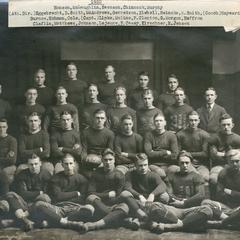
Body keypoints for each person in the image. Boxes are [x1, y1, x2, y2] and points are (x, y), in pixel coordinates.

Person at [32, 153, 94, 231]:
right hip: (58, 208)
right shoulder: (55, 178)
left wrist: (65, 197)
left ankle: (57, 221)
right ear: (62, 164)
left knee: (90, 208)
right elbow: (58, 197)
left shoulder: (82, 179)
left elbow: (81, 199)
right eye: (66, 164)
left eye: (71, 163)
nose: (68, 166)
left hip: (76, 208)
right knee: (39, 204)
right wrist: (76, 193)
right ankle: (66, 222)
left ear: (74, 164)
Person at [81, 148, 129, 232]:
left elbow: (118, 195)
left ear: (114, 160)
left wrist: (107, 198)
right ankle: (116, 219)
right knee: (90, 198)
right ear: (102, 160)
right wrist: (107, 195)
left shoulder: (119, 175)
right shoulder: (96, 173)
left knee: (125, 206)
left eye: (110, 160)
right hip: (98, 203)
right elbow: (90, 192)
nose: (108, 162)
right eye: (105, 160)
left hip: (113, 204)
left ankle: (96, 225)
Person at [120, 153, 169, 230]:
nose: (143, 168)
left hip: (150, 202)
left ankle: (137, 220)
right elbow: (127, 187)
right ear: (135, 165)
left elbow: (163, 185)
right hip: (137, 201)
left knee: (165, 196)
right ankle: (149, 221)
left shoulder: (153, 175)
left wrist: (152, 194)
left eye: (145, 165)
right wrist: (139, 195)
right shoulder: (130, 174)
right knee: (125, 194)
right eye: (140, 165)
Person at [6, 154, 52, 231]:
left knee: (44, 198)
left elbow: (48, 193)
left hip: (38, 204)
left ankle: (22, 220)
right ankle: (26, 220)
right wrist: (39, 192)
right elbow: (22, 193)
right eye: (31, 164)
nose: (33, 166)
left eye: (36, 164)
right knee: (10, 194)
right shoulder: (22, 174)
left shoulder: (46, 174)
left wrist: (39, 194)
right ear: (27, 165)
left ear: (40, 163)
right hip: (24, 203)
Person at [177, 111, 210, 184]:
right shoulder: (180, 134)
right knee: (195, 178)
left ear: (199, 121)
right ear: (187, 121)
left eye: (195, 120)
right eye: (191, 120)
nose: (193, 122)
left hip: (201, 165)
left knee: (206, 178)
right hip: (186, 164)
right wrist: (184, 155)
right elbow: (178, 152)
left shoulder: (205, 135)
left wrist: (188, 153)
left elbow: (205, 153)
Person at [209, 114, 240, 187]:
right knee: (213, 179)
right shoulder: (214, 138)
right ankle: (215, 198)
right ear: (220, 125)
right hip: (219, 165)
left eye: (228, 124)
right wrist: (233, 153)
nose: (226, 127)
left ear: (233, 125)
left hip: (236, 165)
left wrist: (223, 154)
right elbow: (214, 155)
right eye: (223, 125)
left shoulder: (238, 138)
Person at [144, 113, 179, 177]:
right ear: (154, 123)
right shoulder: (149, 135)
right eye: (156, 121)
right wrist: (165, 152)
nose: (159, 123)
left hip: (169, 165)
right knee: (161, 174)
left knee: (177, 170)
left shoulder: (171, 135)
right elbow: (149, 154)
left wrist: (154, 153)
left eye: (161, 121)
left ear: (165, 123)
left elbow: (175, 155)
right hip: (154, 165)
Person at [82, 109, 114, 175]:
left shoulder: (110, 134)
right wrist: (85, 159)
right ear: (93, 118)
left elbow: (109, 151)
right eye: (97, 118)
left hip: (103, 159)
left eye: (102, 118)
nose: (99, 120)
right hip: (89, 158)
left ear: (105, 119)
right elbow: (84, 150)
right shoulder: (85, 132)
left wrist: (102, 161)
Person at [0, 118, 17, 183]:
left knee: (3, 174)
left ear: (7, 127)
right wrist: (5, 158)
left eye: (4, 127)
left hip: (9, 166)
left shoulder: (12, 140)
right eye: (0, 127)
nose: (1, 130)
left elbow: (12, 160)